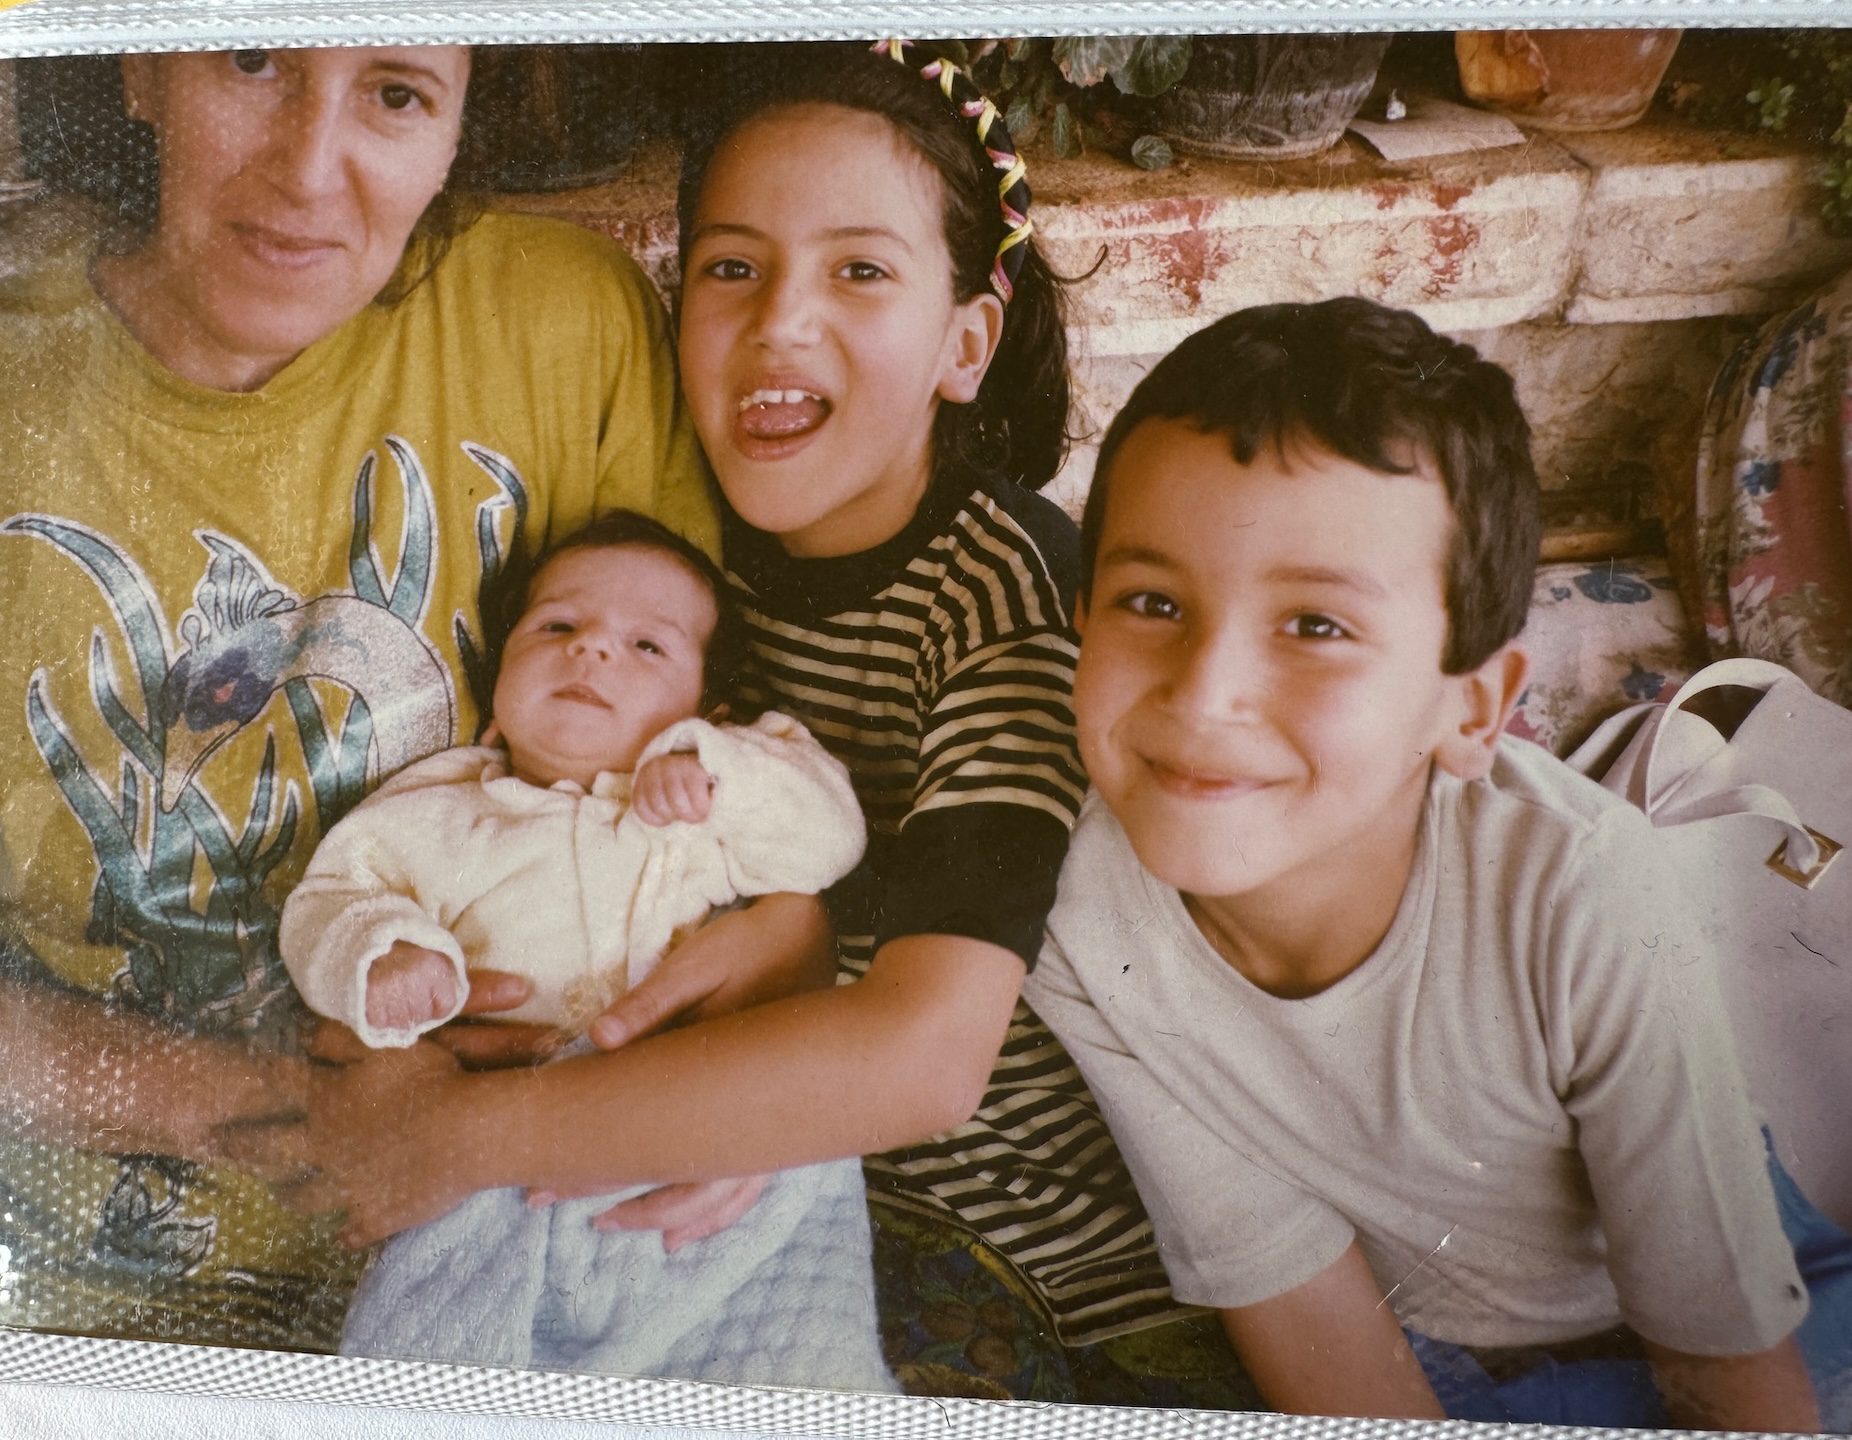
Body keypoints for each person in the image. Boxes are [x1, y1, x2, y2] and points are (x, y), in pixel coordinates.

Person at [266, 42, 1190, 1381]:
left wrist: (461, 1141)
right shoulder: (671, 559)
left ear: (966, 341)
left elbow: (925, 1062)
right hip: (685, 1188)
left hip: (1005, 1257)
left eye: (860, 271)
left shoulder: (1001, 607)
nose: (779, 326)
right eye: (732, 267)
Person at [0, 45, 829, 1353]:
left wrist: (739, 1053)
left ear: (457, 122)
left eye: (395, 92)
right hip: (83, 1301)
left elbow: (728, 812)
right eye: (252, 57)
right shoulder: (20, 373)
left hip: (545, 1236)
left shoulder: (559, 324)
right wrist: (288, 1112)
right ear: (139, 61)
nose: (309, 166)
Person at [1021, 298, 1852, 1430]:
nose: (1203, 692)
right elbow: (1295, 1296)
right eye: (1151, 601)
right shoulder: (1078, 911)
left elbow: (1726, 1362)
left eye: (1314, 625)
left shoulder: (1580, 888)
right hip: (1433, 1345)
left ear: (1471, 711)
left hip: (1729, 1304)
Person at [276, 513, 893, 1389]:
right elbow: (328, 903)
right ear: (496, 690)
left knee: (781, 1356)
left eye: (647, 646)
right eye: (558, 628)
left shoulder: (698, 817)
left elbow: (827, 839)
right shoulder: (438, 815)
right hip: (497, 1172)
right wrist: (384, 955)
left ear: (703, 708)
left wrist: (713, 770)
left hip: (698, 1158)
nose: (593, 652)